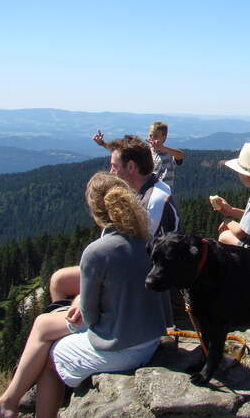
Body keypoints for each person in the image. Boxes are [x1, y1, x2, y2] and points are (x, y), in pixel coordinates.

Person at [0, 172, 165, 418]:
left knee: (49, 353)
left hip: (123, 346)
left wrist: (75, 313)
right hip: (150, 338)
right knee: (44, 326)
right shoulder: (147, 239)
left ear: (97, 211)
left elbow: (91, 316)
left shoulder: (98, 251)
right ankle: (11, 401)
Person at [51, 135, 177, 324]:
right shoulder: (142, 191)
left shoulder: (154, 200)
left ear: (132, 167)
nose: (111, 171)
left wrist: (85, 294)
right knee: (59, 280)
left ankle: (78, 330)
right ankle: (72, 326)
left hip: (141, 277)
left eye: (114, 166)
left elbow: (139, 255)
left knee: (60, 284)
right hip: (129, 268)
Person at [148, 121, 184, 189]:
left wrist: (163, 148)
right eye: (150, 135)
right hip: (151, 190)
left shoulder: (169, 154)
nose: (151, 139)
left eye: (155, 136)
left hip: (165, 192)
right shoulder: (148, 153)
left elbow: (181, 155)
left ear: (164, 138)